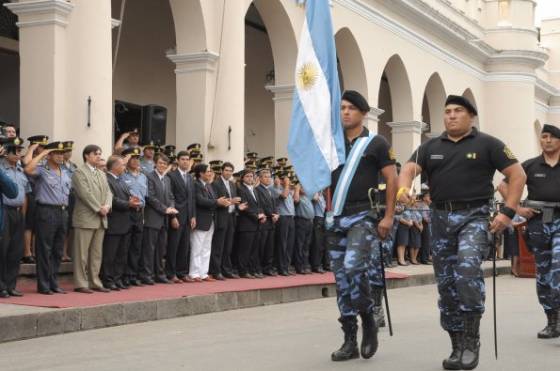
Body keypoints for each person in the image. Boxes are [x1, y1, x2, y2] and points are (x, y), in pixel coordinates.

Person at [397, 95, 526, 370]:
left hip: (474, 217)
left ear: (471, 116)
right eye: (447, 112)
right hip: (440, 218)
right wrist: (403, 187)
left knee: (466, 273)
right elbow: (408, 169)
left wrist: (507, 212)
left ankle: (471, 341)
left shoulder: (489, 144)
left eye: (457, 111)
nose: (451, 116)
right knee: (446, 284)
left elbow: (518, 175)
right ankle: (456, 344)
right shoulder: (430, 146)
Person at [327, 90, 397, 362]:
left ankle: (368, 317)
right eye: (342, 107)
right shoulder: (332, 142)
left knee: (354, 267)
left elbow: (391, 180)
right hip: (335, 218)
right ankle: (349, 339)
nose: (345, 112)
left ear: (363, 113)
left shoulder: (375, 143)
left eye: (351, 108)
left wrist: (388, 216)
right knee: (342, 280)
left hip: (363, 215)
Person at [498, 123, 560, 339]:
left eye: (552, 137)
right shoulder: (531, 165)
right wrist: (516, 207)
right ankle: (553, 320)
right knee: (543, 273)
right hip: (539, 223)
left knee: (558, 267)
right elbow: (503, 185)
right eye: (544, 137)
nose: (548, 140)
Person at [24, 141, 71, 295]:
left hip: (63, 212)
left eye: (61, 153)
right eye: (56, 153)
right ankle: (43, 284)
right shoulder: (42, 170)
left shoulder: (65, 171)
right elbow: (28, 169)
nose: (60, 156)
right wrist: (42, 153)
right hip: (46, 210)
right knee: (45, 249)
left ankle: (53, 282)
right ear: (50, 155)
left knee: (57, 250)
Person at [71, 145, 112, 294]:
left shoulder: (101, 173)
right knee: (81, 254)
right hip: (86, 218)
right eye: (96, 154)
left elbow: (108, 192)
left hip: (101, 218)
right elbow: (84, 193)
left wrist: (107, 206)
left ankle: (94, 281)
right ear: (87, 156)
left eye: (100, 154)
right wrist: (98, 208)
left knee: (96, 254)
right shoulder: (79, 172)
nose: (99, 156)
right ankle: (80, 282)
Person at [102, 155, 140, 290]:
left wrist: (132, 200)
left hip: (125, 223)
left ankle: (117, 278)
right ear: (115, 166)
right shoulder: (107, 179)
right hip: (114, 222)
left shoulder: (121, 180)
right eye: (122, 165)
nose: (125, 167)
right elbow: (111, 200)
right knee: (110, 254)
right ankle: (107, 279)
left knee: (121, 254)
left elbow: (125, 196)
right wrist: (128, 204)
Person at [141, 153, 177, 284]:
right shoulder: (149, 176)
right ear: (155, 163)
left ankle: (159, 274)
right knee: (149, 249)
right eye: (161, 163)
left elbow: (171, 197)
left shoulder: (167, 179)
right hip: (152, 218)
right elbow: (150, 197)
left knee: (161, 249)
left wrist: (171, 208)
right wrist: (164, 209)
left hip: (164, 219)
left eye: (165, 164)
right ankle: (147, 275)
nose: (163, 166)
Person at [190, 163, 229, 281]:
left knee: (206, 248)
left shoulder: (209, 186)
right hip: (201, 220)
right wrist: (217, 202)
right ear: (201, 173)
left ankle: (204, 273)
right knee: (197, 247)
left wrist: (224, 202)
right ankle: (194, 273)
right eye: (207, 171)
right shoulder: (196, 184)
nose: (210, 173)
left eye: (210, 171)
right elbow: (201, 201)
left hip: (211, 220)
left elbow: (214, 201)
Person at [166, 151, 196, 283]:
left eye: (187, 159)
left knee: (185, 246)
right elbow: (170, 198)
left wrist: (193, 216)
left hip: (188, 217)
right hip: (176, 216)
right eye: (182, 159)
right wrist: (173, 216)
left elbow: (192, 199)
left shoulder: (190, 177)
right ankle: (171, 273)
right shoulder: (171, 176)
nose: (185, 161)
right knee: (173, 246)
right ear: (177, 160)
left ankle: (182, 272)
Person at [120, 147, 147, 286]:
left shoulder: (143, 176)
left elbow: (145, 197)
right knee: (125, 245)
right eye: (133, 157)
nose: (136, 160)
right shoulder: (122, 175)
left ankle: (132, 274)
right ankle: (123, 275)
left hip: (139, 212)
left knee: (136, 246)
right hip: (126, 212)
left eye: (138, 158)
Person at [0, 139, 22, 298]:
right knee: (4, 250)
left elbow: (14, 191)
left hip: (16, 211)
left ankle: (10, 285)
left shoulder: (19, 170)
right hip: (5, 211)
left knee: (15, 251)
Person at [210, 162, 241, 279]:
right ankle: (216, 271)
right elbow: (215, 201)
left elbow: (235, 202)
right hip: (221, 217)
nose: (228, 173)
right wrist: (230, 201)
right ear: (222, 171)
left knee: (228, 246)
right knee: (219, 245)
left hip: (231, 217)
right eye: (226, 170)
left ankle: (226, 269)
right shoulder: (216, 184)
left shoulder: (233, 185)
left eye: (230, 171)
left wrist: (238, 206)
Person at [254, 168, 278, 276]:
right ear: (260, 178)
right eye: (265, 177)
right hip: (264, 221)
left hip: (271, 222)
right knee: (261, 246)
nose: (268, 179)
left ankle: (267, 268)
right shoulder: (258, 189)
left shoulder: (270, 190)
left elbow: (274, 205)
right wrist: (271, 214)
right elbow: (261, 205)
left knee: (270, 246)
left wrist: (276, 213)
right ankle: (258, 268)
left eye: (269, 177)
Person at [272, 174, 296, 276]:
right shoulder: (275, 189)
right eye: (285, 179)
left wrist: (289, 186)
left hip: (291, 217)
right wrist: (286, 185)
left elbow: (295, 200)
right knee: (282, 243)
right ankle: (281, 267)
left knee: (290, 244)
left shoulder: (288, 188)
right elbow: (284, 196)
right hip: (282, 217)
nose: (288, 181)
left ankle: (286, 266)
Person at [293, 185, 314, 274]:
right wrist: (297, 189)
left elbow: (315, 197)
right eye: (303, 187)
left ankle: (305, 265)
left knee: (306, 245)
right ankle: (299, 266)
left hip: (309, 222)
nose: (305, 189)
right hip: (301, 221)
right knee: (300, 245)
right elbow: (296, 200)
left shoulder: (307, 197)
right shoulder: (298, 196)